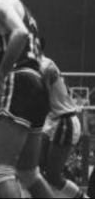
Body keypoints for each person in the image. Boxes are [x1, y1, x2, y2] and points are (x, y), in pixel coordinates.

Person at [0, 0, 54, 198]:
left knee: (2, 169)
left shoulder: (2, 1)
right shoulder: (23, 8)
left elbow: (20, 33)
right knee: (29, 173)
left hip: (19, 79)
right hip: (37, 84)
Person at [40, 55, 87, 198]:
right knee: (35, 169)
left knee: (53, 176)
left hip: (64, 121)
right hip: (52, 119)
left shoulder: (44, 66)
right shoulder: (39, 64)